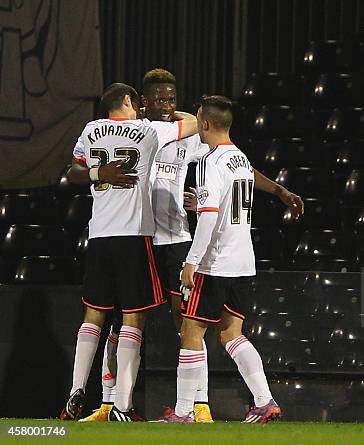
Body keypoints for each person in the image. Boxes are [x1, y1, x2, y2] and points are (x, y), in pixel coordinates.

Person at [80, 68, 304, 422]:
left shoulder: (190, 138)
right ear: (142, 102)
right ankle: (112, 404)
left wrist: (276, 190)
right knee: (122, 324)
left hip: (175, 242)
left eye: (173, 99)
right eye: (161, 99)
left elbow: (236, 163)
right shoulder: (140, 132)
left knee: (185, 325)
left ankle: (196, 406)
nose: (168, 105)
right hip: (138, 239)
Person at [59, 82, 198, 422]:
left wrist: (97, 172)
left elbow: (71, 173)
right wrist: (164, 112)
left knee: (94, 316)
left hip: (100, 235)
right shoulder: (147, 130)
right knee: (132, 319)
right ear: (128, 101)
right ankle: (122, 405)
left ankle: (75, 391)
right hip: (134, 236)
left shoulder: (91, 130)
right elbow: (195, 122)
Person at [161, 95, 280, 424]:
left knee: (191, 331)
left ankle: (184, 412)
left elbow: (211, 218)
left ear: (205, 124)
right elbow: (221, 207)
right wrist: (198, 206)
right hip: (243, 261)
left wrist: (191, 261)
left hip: (216, 263)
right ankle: (264, 399)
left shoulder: (210, 163)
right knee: (231, 334)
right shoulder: (240, 158)